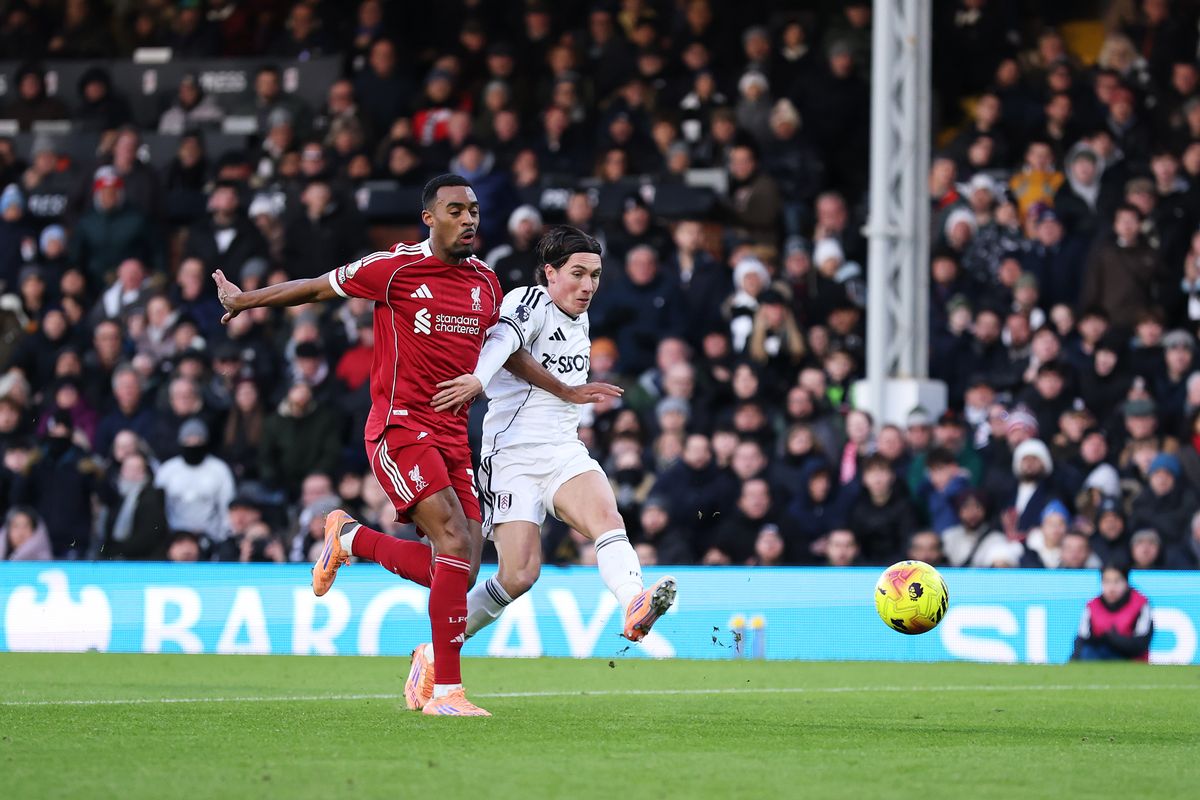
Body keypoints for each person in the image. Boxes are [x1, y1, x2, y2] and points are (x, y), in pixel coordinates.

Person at [212, 176, 615, 718]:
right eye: (456, 210)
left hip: (452, 434)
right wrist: (247, 300)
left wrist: (563, 389)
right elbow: (314, 287)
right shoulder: (394, 269)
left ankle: (351, 538)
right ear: (430, 217)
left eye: (474, 210)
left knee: (462, 567)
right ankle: (445, 691)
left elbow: (507, 350)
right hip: (400, 426)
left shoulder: (485, 282)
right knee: (451, 539)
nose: (469, 219)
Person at [418, 225, 676, 707]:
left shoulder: (579, 321)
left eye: (595, 275)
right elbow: (502, 344)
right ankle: (432, 654)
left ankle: (633, 601)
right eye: (577, 274)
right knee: (519, 575)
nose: (588, 286)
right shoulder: (529, 301)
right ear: (550, 273)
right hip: (511, 457)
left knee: (607, 519)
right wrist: (477, 379)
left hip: (563, 450)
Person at [1072, 562, 1153, 661]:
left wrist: (1112, 638)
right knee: (1087, 652)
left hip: (1130, 660)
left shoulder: (1140, 604)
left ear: (1126, 582)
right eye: (1107, 582)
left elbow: (1140, 644)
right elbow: (1081, 641)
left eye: (1117, 581)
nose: (1111, 588)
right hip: (1098, 657)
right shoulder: (1092, 606)